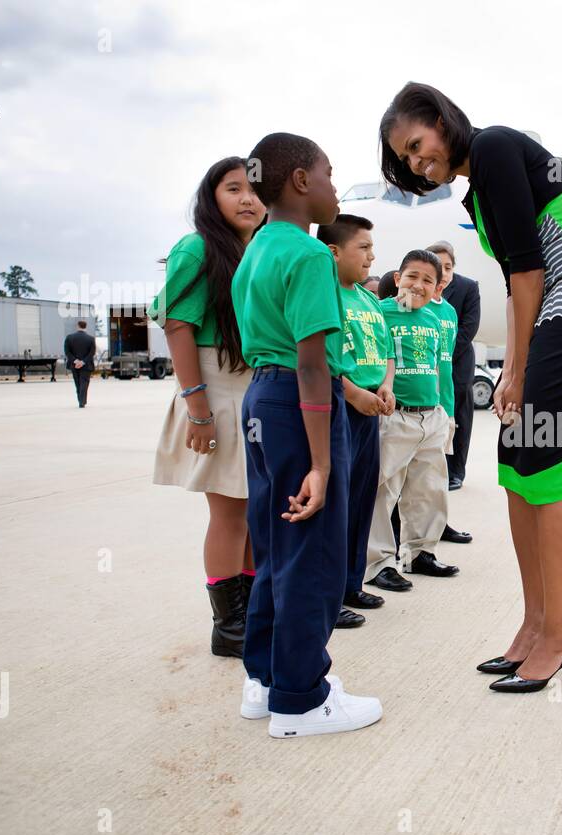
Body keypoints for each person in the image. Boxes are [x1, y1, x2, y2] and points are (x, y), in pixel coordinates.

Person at [380, 83, 562, 693]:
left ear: (443, 122)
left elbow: (530, 271)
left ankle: (561, 634)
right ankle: (534, 626)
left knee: (546, 457)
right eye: (407, 159)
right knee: (516, 460)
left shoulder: (495, 145)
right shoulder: (477, 191)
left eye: (419, 145)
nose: (418, 163)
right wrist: (512, 369)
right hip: (556, 307)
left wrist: (518, 371)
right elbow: (513, 277)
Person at [231, 131, 381, 738]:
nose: (333, 187)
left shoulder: (258, 247)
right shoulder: (311, 254)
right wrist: (321, 464)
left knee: (275, 547)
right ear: (299, 181)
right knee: (313, 553)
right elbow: (314, 362)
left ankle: (267, 681)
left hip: (263, 399)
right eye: (327, 174)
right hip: (300, 401)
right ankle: (302, 698)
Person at [149, 156, 266, 658]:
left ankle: (250, 614)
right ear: (211, 197)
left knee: (253, 511)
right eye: (233, 188)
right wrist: (197, 408)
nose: (247, 199)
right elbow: (178, 325)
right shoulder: (197, 248)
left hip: (251, 388)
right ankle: (230, 627)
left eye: (255, 190)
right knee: (229, 513)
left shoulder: (257, 252)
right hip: (214, 390)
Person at [316, 214, 396, 627]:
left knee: (363, 499)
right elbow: (319, 357)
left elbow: (386, 351)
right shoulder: (325, 293)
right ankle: (328, 597)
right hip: (340, 408)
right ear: (334, 252)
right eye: (363, 248)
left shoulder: (367, 299)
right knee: (337, 504)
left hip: (370, 411)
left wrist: (385, 385)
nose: (371, 256)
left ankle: (351, 584)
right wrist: (353, 393)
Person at [365, 250, 459, 590]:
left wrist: (446, 413)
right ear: (398, 278)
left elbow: (441, 368)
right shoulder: (379, 312)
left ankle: (420, 553)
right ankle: (377, 564)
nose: (418, 285)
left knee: (428, 490)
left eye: (428, 280)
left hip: (431, 415)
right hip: (395, 415)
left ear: (437, 288)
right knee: (382, 491)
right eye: (412, 277)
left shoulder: (435, 319)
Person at [423, 261, 472, 545]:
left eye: (448, 268)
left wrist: (449, 407)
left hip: (444, 404)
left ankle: (438, 526)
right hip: (417, 403)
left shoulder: (450, 313)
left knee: (438, 473)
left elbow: (446, 360)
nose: (442, 275)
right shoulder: (412, 308)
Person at [427, 240, 481, 490]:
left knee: (459, 416)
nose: (444, 273)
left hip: (457, 363)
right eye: (439, 266)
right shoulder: (422, 287)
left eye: (448, 267)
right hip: (425, 364)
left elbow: (468, 329)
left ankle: (456, 470)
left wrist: (445, 355)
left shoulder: (468, 288)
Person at [63, 320, 95, 408]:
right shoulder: (91, 339)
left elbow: (67, 351)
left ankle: (80, 400)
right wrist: (83, 362)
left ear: (78, 326)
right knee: (84, 383)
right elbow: (92, 353)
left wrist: (75, 361)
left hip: (74, 365)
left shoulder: (69, 338)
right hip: (86, 365)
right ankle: (82, 401)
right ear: (86, 327)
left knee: (78, 383)